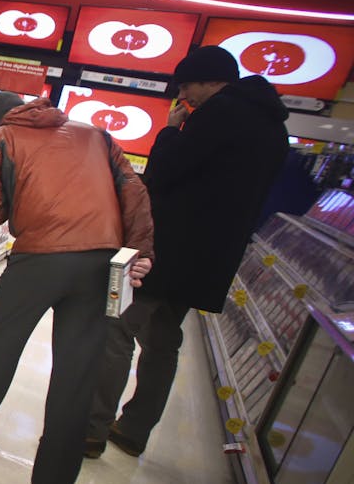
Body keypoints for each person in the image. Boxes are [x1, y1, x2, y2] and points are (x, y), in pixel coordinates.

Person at [0, 93, 154, 484]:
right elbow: (135, 192)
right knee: (78, 374)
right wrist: (140, 252)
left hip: (38, 259)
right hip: (101, 263)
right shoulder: (97, 135)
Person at [86, 46, 289, 458]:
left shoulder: (220, 114)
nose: (184, 96)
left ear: (213, 80)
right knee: (163, 339)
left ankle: (92, 428)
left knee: (118, 327)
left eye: (187, 85)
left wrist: (170, 131)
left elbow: (165, 172)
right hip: (208, 260)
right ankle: (134, 428)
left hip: (168, 248)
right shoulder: (273, 129)